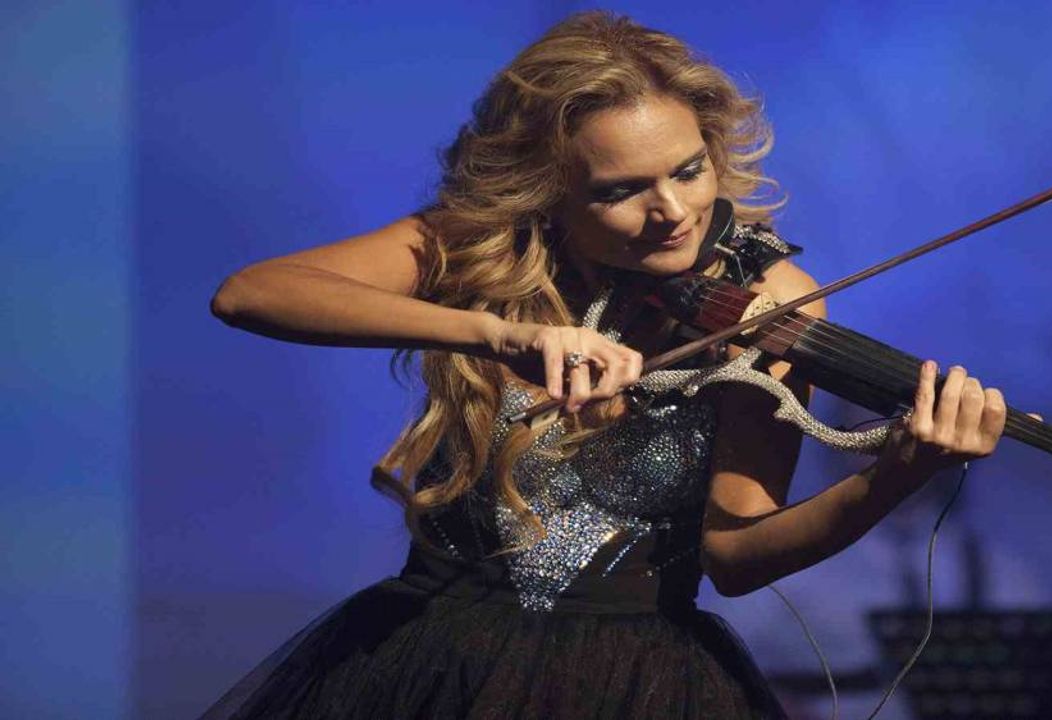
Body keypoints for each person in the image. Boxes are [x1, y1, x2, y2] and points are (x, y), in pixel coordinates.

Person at [203, 11, 1007, 719]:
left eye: (688, 170)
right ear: (546, 191)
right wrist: (494, 333)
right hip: (435, 663)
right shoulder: (482, 251)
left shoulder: (766, 303)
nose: (674, 213)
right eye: (622, 191)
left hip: (639, 679)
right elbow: (250, 295)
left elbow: (736, 558)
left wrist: (895, 476)